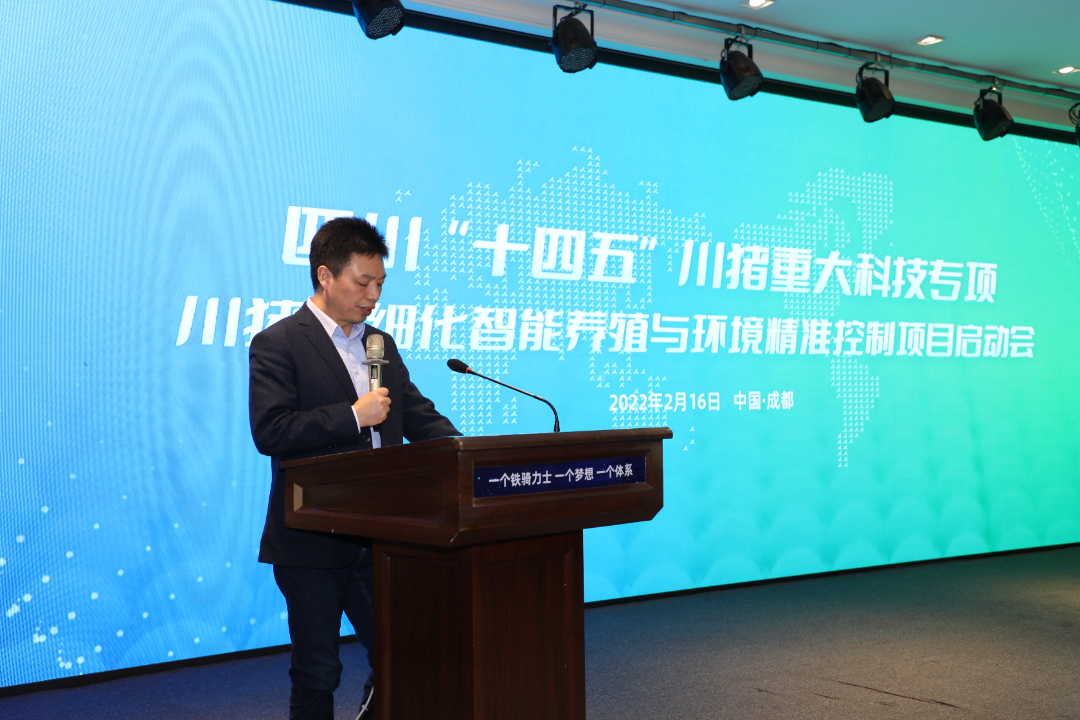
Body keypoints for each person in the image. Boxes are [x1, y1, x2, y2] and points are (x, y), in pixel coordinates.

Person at [248, 217, 460, 720]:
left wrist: (466, 453)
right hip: (311, 538)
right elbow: (271, 431)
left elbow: (418, 415)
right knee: (318, 672)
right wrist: (351, 416)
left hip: (379, 535)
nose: (374, 296)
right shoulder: (279, 342)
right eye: (363, 283)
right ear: (325, 275)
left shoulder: (379, 344)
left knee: (405, 652)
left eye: (380, 284)